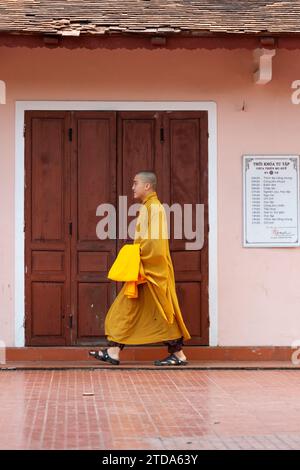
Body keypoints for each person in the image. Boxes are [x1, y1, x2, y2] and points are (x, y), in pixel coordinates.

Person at [89, 171, 191, 366]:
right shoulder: (148, 207)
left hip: (151, 271)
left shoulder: (155, 209)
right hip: (145, 270)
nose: (132, 187)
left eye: (135, 183)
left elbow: (156, 244)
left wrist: (137, 255)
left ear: (147, 186)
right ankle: (116, 351)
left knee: (135, 310)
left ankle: (115, 351)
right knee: (146, 312)